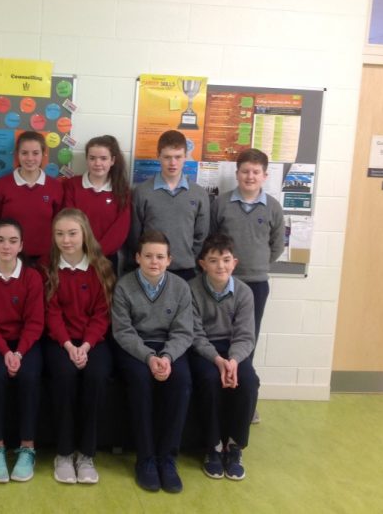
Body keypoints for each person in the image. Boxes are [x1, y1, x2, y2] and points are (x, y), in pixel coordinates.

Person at [111, 230, 193, 493]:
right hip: (136, 348)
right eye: (148, 256)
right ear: (137, 258)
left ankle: (167, 459)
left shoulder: (181, 287)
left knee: (182, 382)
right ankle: (145, 458)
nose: (154, 262)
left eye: (159, 257)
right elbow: (123, 331)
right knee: (139, 381)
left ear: (169, 260)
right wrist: (148, 357)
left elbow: (183, 331)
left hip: (168, 348)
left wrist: (167, 357)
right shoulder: (124, 286)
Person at [210, 148, 284, 423]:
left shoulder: (273, 207)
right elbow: (211, 239)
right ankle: (220, 396)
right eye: (245, 171)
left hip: (255, 284)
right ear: (237, 173)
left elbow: (277, 245)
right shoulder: (222, 204)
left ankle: (245, 401)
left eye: (255, 172)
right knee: (220, 338)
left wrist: (259, 264)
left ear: (265, 175)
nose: (250, 176)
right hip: (222, 283)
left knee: (246, 341)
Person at [43, 208, 115, 485]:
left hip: (92, 342)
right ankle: (63, 453)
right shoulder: (47, 267)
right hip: (60, 342)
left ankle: (86, 454)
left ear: (85, 234)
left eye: (72, 233)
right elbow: (52, 313)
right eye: (59, 234)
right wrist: (68, 346)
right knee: (64, 376)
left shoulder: (101, 268)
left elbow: (101, 314)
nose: (66, 240)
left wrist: (84, 346)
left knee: (96, 377)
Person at [0, 218, 45, 483]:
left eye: (13, 241)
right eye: (0, 240)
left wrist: (19, 353)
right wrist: (5, 352)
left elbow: (35, 322)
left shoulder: (32, 277)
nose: (6, 246)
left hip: (25, 343)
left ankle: (27, 447)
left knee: (30, 376)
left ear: (21, 245)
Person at [189, 234, 259, 481]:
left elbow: (245, 336)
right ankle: (213, 446)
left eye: (226, 260)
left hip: (233, 351)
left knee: (248, 382)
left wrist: (233, 361)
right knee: (209, 380)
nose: (221, 266)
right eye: (213, 260)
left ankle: (234, 446)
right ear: (203, 264)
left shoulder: (244, 292)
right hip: (204, 350)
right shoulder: (191, 289)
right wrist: (217, 361)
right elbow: (195, 334)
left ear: (234, 263)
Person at [128, 130, 209, 281]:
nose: (173, 163)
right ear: (158, 156)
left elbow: (201, 235)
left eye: (178, 157)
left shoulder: (199, 194)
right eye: (167, 157)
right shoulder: (142, 192)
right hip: (150, 269)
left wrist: (188, 257)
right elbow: (135, 236)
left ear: (185, 156)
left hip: (185, 271)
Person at [0, 131, 63, 262]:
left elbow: (59, 224)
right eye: (24, 153)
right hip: (9, 257)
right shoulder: (2, 186)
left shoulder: (55, 187)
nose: (30, 158)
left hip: (45, 258)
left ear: (43, 154)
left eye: (35, 153)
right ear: (17, 154)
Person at [63, 135, 131, 271]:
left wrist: (97, 253)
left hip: (106, 259)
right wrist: (82, 250)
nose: (97, 163)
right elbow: (69, 221)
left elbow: (120, 230)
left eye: (103, 158)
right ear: (86, 159)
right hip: (75, 255)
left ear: (112, 161)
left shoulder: (122, 190)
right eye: (92, 158)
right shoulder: (71, 185)